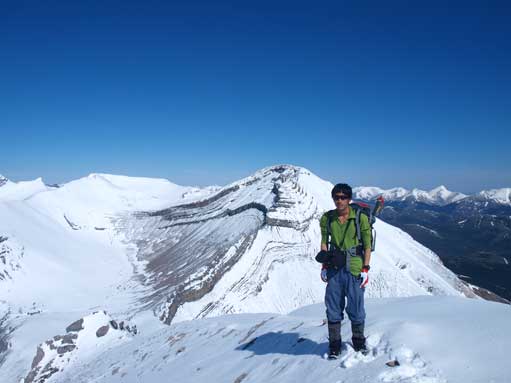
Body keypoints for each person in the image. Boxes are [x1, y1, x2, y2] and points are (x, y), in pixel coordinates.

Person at [319, 183, 372, 359]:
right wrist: (324, 265)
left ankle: (358, 341)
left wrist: (366, 268)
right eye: (336, 197)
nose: (339, 200)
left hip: (355, 267)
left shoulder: (359, 218)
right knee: (333, 307)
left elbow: (367, 245)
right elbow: (324, 242)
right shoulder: (327, 218)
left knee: (356, 307)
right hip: (334, 267)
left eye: (343, 197)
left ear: (349, 199)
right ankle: (334, 345)